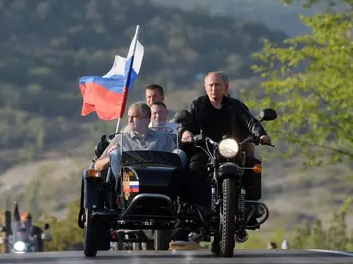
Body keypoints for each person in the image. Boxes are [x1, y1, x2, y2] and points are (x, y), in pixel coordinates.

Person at [179, 71, 271, 207]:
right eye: (211, 85)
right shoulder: (198, 105)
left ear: (225, 87)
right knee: (194, 167)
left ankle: (249, 204)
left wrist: (261, 134)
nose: (214, 88)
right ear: (206, 87)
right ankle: (196, 206)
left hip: (233, 148)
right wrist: (186, 132)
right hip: (206, 149)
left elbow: (250, 122)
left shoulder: (235, 106)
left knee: (252, 166)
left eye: (217, 85)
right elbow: (186, 124)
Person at [94, 102, 177, 175]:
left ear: (146, 119)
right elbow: (97, 166)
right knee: (115, 153)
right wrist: (111, 157)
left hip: (159, 181)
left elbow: (176, 158)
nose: (129, 120)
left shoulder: (163, 138)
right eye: (128, 117)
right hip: (130, 184)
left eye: (134, 117)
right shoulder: (121, 139)